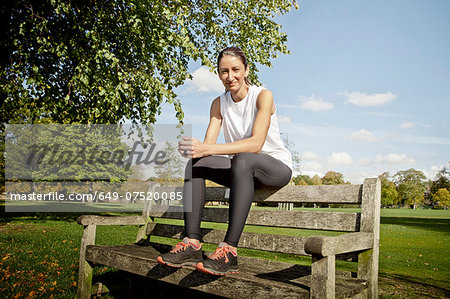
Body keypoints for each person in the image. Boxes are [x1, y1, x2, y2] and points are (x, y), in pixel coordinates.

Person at [157, 46, 292, 275]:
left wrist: (209, 148)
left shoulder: (263, 96)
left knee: (244, 158)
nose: (230, 77)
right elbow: (207, 148)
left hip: (274, 167)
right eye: (224, 72)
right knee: (196, 165)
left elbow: (256, 144)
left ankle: (229, 251)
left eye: (236, 70)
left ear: (246, 70)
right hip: (242, 170)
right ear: (219, 74)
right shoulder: (218, 103)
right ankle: (192, 243)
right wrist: (195, 150)